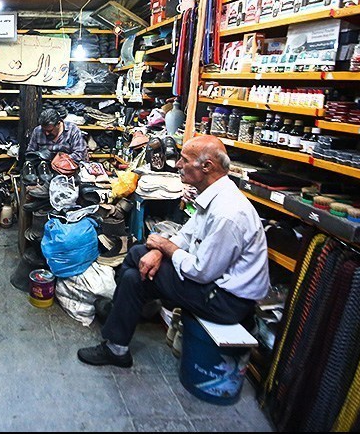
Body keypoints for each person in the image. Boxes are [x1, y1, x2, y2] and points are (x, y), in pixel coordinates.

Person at [77, 135, 270, 368]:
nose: (178, 164)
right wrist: (159, 251)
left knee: (135, 269)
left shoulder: (228, 213)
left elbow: (201, 272)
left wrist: (165, 247)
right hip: (213, 286)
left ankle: (119, 328)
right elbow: (186, 234)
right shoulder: (214, 195)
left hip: (226, 301)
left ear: (207, 166)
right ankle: (119, 328)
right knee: (137, 264)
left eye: (184, 160)